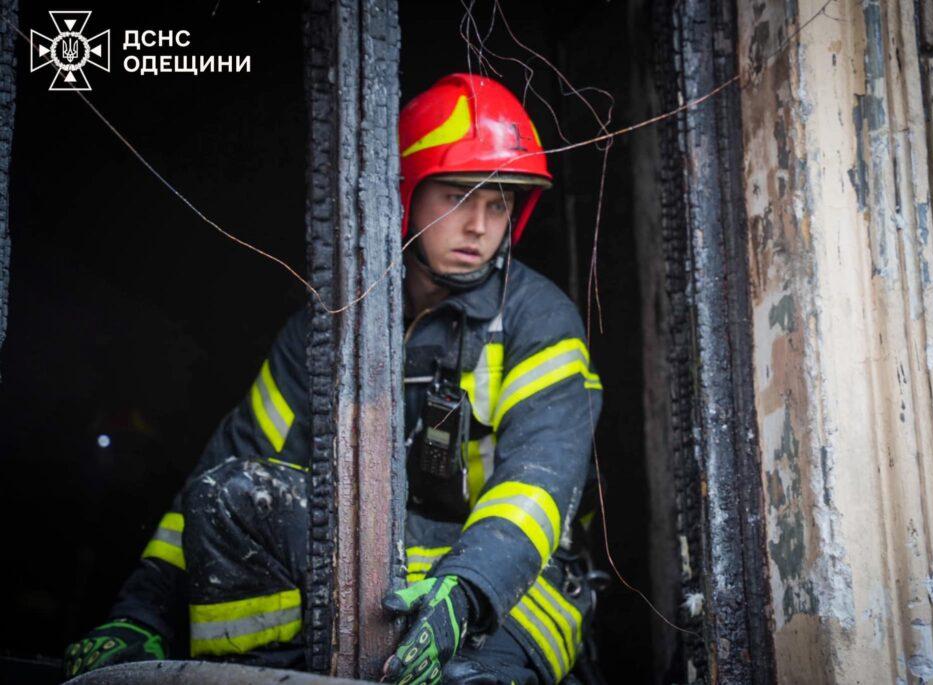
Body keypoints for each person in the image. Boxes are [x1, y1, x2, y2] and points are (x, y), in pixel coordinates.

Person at [63, 73, 603, 685]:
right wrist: (143, 616)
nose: (479, 225)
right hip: (376, 562)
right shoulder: (325, 328)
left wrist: (470, 591)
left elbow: (542, 484)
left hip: (516, 585)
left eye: (498, 202)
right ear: (405, 193)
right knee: (231, 496)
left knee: (463, 682)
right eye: (457, 196)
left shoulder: (540, 318)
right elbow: (227, 471)